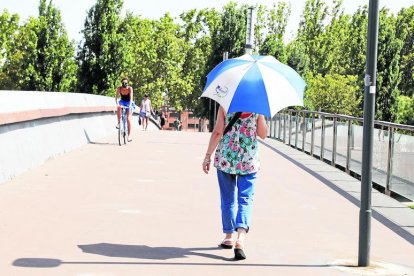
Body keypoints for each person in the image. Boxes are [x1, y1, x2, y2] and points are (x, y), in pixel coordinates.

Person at [202, 106, 268, 260]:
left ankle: (229, 236)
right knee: (246, 199)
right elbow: (263, 134)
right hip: (248, 161)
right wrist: (261, 115)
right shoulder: (257, 107)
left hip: (226, 159)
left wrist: (207, 156)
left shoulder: (225, 105)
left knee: (227, 199)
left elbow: (218, 132)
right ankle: (241, 239)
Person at [115, 77, 133, 141]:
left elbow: (131, 99)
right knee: (119, 107)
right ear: (121, 83)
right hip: (122, 101)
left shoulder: (130, 88)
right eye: (123, 83)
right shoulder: (119, 89)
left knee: (128, 119)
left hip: (128, 102)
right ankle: (119, 123)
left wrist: (130, 105)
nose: (124, 84)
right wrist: (117, 103)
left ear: (127, 83)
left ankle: (129, 136)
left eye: (126, 83)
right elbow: (116, 98)